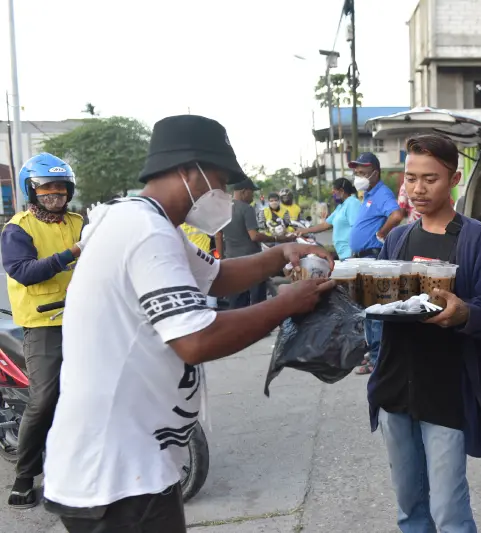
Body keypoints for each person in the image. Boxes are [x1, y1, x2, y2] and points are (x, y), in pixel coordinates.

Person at [41, 114, 335, 532]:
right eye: (219, 180)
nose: (224, 194)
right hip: (115, 477)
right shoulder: (144, 230)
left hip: (133, 466)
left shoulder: (147, 223)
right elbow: (195, 340)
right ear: (189, 172)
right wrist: (288, 303)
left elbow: (216, 276)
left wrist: (279, 253)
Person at [369, 134, 481, 532]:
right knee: (410, 507)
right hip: (395, 389)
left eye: (430, 178)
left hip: (447, 392)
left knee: (449, 509)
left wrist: (464, 312)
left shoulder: (476, 238)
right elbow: (377, 300)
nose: (417, 189)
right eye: (411, 178)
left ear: (455, 177)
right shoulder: (396, 239)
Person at [1, 153, 83, 509]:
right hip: (43, 324)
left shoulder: (80, 221)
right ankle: (24, 476)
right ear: (31, 190)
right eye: (46, 187)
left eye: (60, 187)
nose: (55, 193)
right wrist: (72, 253)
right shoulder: (18, 228)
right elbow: (25, 271)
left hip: (86, 317)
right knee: (45, 398)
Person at [348, 152, 405, 375]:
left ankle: (377, 358)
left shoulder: (381, 193)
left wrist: (382, 233)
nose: (358, 176)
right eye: (356, 173)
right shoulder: (368, 195)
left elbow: (397, 214)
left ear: (375, 173)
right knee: (368, 311)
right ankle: (373, 352)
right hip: (363, 257)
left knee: (375, 311)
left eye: (362, 172)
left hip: (373, 257)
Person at [220, 177, 276, 309]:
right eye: (252, 192)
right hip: (252, 261)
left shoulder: (224, 208)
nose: (253, 195)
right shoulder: (247, 209)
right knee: (258, 302)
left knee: (237, 300)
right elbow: (254, 236)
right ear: (244, 191)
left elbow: (218, 235)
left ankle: (237, 327)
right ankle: (261, 328)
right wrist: (274, 238)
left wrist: (222, 258)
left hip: (232, 261)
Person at [296, 178, 360, 260]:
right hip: (342, 252)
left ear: (341, 191)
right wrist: (304, 231)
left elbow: (355, 228)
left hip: (350, 252)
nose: (333, 195)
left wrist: (353, 251)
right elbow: (325, 225)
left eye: (334, 192)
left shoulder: (353, 203)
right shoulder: (341, 206)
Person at [179, 223, 219, 308]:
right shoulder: (200, 223)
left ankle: (199, 305)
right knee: (211, 281)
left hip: (190, 258)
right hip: (205, 256)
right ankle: (212, 306)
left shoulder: (181, 227)